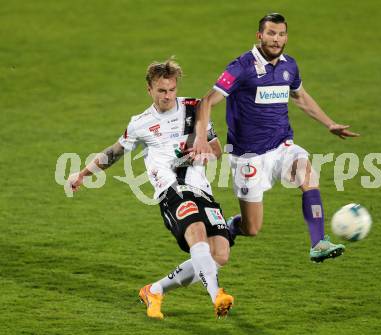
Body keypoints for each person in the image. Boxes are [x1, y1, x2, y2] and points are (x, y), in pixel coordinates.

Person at [67, 59, 234, 319]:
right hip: (171, 189)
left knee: (220, 254)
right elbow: (113, 153)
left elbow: (216, 150)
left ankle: (154, 290)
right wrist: (83, 174)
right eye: (161, 91)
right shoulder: (141, 123)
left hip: (201, 187)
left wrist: (203, 152)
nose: (167, 96)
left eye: (171, 90)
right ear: (149, 90)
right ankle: (217, 295)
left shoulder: (195, 110)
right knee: (197, 235)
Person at [192, 13, 359, 262]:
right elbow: (206, 101)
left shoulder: (289, 66)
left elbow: (300, 97)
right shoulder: (241, 67)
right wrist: (201, 138)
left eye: (281, 34)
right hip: (248, 156)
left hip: (282, 144)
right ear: (260, 36)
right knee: (252, 228)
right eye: (271, 33)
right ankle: (232, 226)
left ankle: (319, 242)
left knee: (307, 173)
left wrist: (329, 123)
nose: (276, 39)